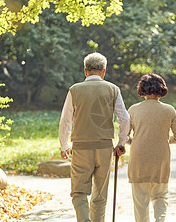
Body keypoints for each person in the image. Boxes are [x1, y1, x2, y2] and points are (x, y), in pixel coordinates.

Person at [59, 52, 129, 222]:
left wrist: (64, 145)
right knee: (100, 195)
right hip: (104, 148)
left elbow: (65, 120)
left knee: (78, 193)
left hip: (81, 148)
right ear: (103, 72)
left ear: (85, 71)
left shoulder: (75, 90)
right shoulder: (113, 89)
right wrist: (121, 142)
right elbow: (125, 118)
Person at [123, 73, 176, 222]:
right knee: (160, 196)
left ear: (142, 90)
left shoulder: (133, 110)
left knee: (140, 202)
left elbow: (124, 136)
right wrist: (163, 140)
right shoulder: (169, 110)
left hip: (138, 159)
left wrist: (136, 141)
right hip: (160, 159)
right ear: (161, 90)